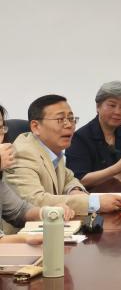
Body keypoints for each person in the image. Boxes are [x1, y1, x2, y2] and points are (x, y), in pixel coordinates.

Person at [4, 95, 121, 215]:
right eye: (60, 119)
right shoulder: (22, 154)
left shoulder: (51, 147)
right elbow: (34, 201)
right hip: (26, 227)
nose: (69, 125)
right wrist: (93, 203)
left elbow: (69, 178)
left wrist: (75, 190)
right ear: (36, 127)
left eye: (71, 118)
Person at [0, 104, 74, 243]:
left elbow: (19, 210)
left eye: (0, 128)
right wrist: (25, 238)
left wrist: (48, 212)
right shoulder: (24, 153)